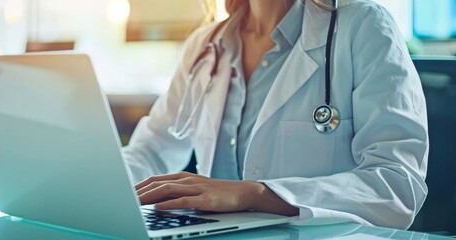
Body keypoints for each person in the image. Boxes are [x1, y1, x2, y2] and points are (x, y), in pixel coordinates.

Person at [122, 0, 428, 229]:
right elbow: (149, 152)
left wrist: (255, 194)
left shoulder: (363, 26)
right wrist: (90, 183)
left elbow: (397, 185)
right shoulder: (205, 46)